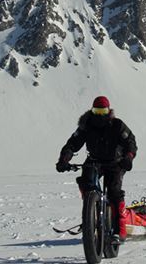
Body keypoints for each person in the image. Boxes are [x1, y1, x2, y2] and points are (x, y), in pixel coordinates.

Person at [56, 95, 137, 241]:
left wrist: (128, 157)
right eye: (97, 111)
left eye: (103, 111)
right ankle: (90, 213)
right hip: (94, 161)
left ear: (108, 111)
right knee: (85, 181)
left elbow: (130, 142)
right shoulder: (86, 125)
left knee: (114, 192)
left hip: (115, 162)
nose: (100, 115)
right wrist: (64, 159)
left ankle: (119, 230)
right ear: (92, 110)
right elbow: (73, 144)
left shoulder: (117, 125)